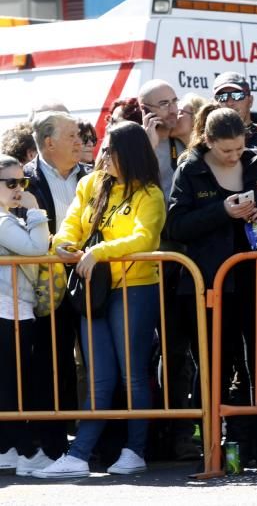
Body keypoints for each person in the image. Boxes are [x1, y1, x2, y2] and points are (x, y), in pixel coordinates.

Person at [165, 105, 257, 474]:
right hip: (212, 282)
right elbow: (176, 225)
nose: (234, 155)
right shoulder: (190, 169)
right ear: (207, 140)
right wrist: (222, 210)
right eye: (226, 151)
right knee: (217, 367)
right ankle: (213, 448)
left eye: (239, 148)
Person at [36, 121, 165, 478]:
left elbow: (145, 239)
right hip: (93, 289)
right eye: (103, 148)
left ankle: (136, 450)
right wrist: (61, 243)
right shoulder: (89, 184)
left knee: (133, 376)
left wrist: (100, 252)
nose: (102, 155)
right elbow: (72, 226)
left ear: (131, 154)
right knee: (99, 376)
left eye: (111, 150)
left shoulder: (150, 193)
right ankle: (79, 454)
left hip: (135, 288)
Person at [23, 111, 88, 464]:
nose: (81, 142)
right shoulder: (25, 181)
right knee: (51, 363)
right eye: (72, 136)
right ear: (49, 142)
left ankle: (98, 442)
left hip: (92, 279)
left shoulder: (94, 177)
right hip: (45, 286)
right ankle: (51, 445)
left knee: (96, 362)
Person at [0, 155, 55, 477]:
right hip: (9, 313)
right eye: (10, 183)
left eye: (23, 182)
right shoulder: (4, 220)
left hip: (15, 310)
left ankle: (8, 448)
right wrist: (36, 210)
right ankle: (29, 453)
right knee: (11, 387)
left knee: (9, 384)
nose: (19, 189)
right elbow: (37, 248)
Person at [138, 80, 185, 199]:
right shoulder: (132, 141)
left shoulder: (182, 137)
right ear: (145, 110)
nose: (173, 110)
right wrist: (148, 147)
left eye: (174, 101)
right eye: (164, 104)